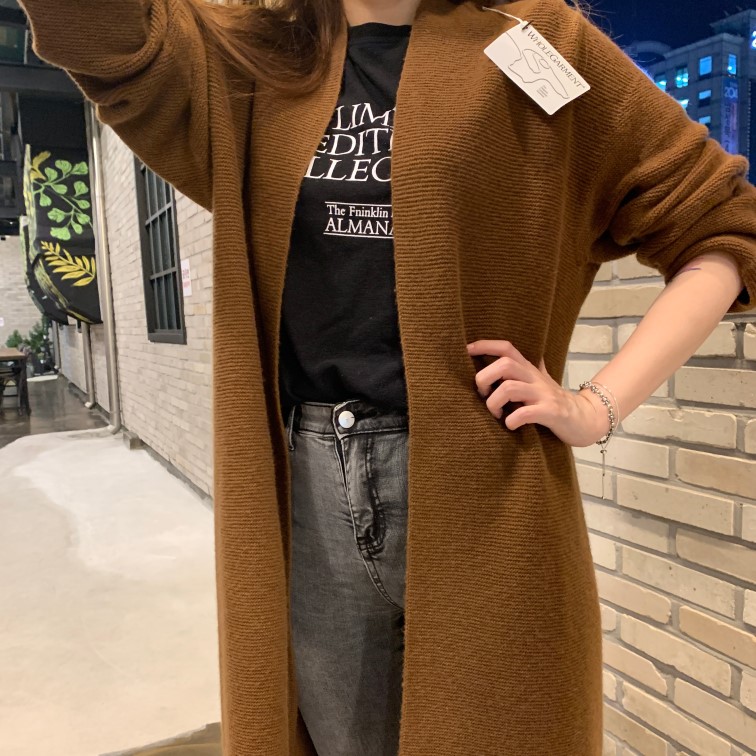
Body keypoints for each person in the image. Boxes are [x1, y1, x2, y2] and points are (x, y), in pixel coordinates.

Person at [17, 0, 756, 754]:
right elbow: (99, 32)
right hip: (309, 490)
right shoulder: (250, 52)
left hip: (487, 493)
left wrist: (596, 406)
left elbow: (725, 225)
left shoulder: (537, 41)